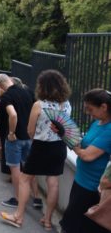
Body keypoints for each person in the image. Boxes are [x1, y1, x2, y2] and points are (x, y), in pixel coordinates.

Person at [0, 70, 72, 230]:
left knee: (25, 179)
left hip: (40, 146)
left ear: (42, 86)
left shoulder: (39, 105)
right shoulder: (66, 104)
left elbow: (30, 131)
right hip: (59, 147)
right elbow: (66, 127)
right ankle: (47, 220)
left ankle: (18, 217)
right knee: (53, 182)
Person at [60, 89, 111, 233]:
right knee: (70, 220)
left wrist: (73, 145)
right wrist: (64, 132)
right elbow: (84, 143)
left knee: (75, 225)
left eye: (90, 109)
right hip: (80, 180)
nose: (88, 113)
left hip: (91, 187)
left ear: (104, 107)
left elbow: (87, 155)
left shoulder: (109, 130)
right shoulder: (97, 123)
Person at [0, 73, 36, 208]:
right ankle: (36, 197)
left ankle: (18, 199)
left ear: (0, 85)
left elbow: (13, 114)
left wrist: (11, 133)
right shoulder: (27, 91)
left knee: (15, 168)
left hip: (16, 138)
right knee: (29, 168)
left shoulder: (8, 96)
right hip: (28, 136)